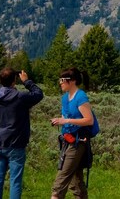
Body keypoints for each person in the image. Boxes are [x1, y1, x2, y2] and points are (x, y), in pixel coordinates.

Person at [0, 67, 44, 199]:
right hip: (16, 145)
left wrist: (1, 83)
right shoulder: (20, 97)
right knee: (15, 182)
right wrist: (27, 81)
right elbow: (38, 94)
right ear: (15, 81)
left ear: (0, 80)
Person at [50, 67, 94, 199]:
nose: (60, 83)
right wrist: (60, 121)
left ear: (72, 81)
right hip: (67, 140)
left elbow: (89, 120)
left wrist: (66, 120)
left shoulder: (81, 96)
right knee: (76, 181)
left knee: (62, 178)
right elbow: (67, 117)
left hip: (78, 141)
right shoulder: (65, 98)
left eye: (63, 80)